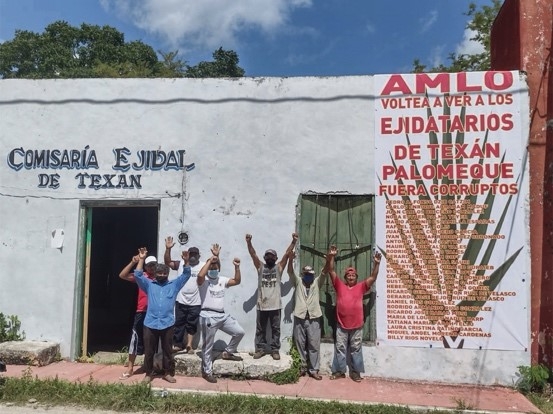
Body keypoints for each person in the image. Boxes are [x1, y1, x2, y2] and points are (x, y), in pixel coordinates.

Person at [133, 247, 191, 384]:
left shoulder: (174, 285)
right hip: (150, 323)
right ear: (155, 273)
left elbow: (186, 275)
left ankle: (168, 373)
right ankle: (148, 373)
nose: (161, 275)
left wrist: (186, 262)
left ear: (167, 273)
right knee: (149, 351)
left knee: (167, 351)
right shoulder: (149, 285)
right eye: (159, 272)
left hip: (168, 323)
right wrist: (141, 259)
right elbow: (137, 275)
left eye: (164, 273)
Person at [326, 245, 381, 382]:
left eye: (353, 275)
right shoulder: (339, 286)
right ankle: (339, 371)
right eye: (348, 275)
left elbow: (373, 278)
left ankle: (355, 372)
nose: (351, 276)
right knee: (340, 348)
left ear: (356, 277)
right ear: (345, 277)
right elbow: (331, 270)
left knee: (356, 349)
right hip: (341, 325)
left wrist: (376, 264)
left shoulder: (361, 287)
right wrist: (331, 256)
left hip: (356, 326)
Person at [197, 244, 245, 383]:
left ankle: (228, 352)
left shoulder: (222, 280)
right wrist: (211, 259)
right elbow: (200, 274)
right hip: (208, 316)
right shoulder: (203, 281)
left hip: (222, 315)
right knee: (208, 346)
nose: (213, 269)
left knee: (239, 332)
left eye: (215, 267)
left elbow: (237, 280)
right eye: (211, 267)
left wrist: (237, 267)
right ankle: (207, 372)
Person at [245, 233, 296, 360]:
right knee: (260, 329)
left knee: (275, 329)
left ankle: (275, 350)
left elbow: (287, 253)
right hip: (262, 305)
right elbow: (253, 254)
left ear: (275, 257)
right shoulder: (260, 267)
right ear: (265, 257)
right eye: (267, 255)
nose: (269, 257)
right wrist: (249, 242)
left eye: (272, 255)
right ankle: (260, 349)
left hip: (275, 305)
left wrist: (294, 241)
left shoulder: (279, 267)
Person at [287, 249, 326, 380]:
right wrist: (290, 259)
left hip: (314, 318)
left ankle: (314, 370)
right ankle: (302, 367)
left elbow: (325, 272)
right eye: (307, 273)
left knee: (314, 345)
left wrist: (330, 258)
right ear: (303, 274)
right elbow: (290, 272)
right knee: (300, 344)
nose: (309, 276)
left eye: (311, 274)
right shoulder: (298, 282)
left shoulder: (316, 283)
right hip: (300, 317)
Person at [118, 254, 157, 379]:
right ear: (145, 266)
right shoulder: (141, 277)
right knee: (135, 340)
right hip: (141, 312)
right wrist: (132, 262)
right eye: (149, 265)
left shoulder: (160, 278)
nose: (151, 267)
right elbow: (122, 275)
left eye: (153, 265)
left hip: (154, 313)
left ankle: (148, 366)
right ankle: (130, 368)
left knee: (151, 340)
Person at [164, 236, 205, 353]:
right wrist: (168, 249)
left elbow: (215, 268)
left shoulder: (202, 266)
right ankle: (177, 344)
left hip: (196, 301)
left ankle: (189, 345)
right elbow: (168, 262)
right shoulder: (181, 263)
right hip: (180, 299)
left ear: (198, 256)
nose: (192, 256)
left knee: (192, 324)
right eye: (190, 254)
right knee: (179, 323)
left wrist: (216, 257)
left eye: (194, 255)